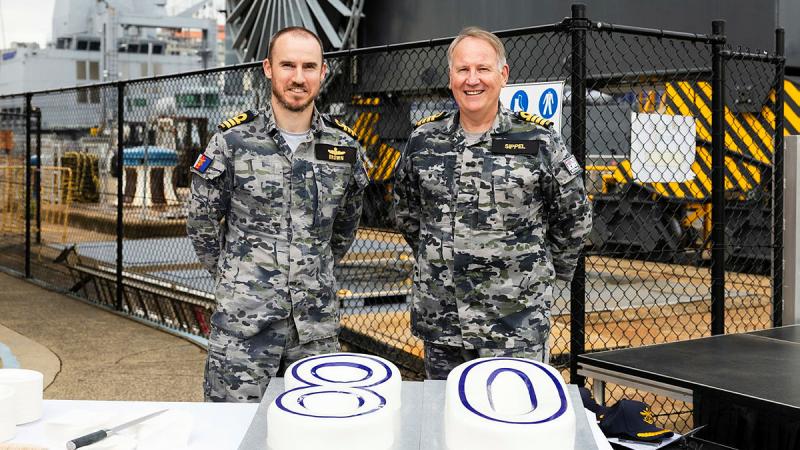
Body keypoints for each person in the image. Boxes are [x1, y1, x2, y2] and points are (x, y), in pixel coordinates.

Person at [393, 27, 592, 380]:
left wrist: (541, 274)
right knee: (447, 422)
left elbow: (574, 217)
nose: (473, 80)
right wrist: (443, 259)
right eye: (463, 70)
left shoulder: (538, 141)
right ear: (451, 76)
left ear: (503, 75)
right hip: (444, 323)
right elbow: (408, 214)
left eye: (483, 69)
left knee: (513, 425)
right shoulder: (424, 141)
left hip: (514, 324)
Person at [187, 26, 369, 402]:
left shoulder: (344, 147)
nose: (298, 78)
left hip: (314, 334)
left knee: (314, 434)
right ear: (268, 68)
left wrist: (312, 271)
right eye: (288, 65)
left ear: (323, 72)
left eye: (308, 67)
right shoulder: (232, 142)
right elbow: (201, 223)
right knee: (230, 433)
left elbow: (345, 227)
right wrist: (236, 278)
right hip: (244, 330)